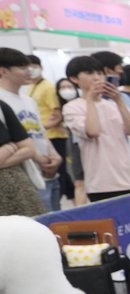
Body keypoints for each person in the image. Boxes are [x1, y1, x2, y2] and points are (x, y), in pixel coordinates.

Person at [62, 55, 130, 202]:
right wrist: (91, 99)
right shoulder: (71, 107)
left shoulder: (112, 104)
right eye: (89, 73)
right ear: (74, 79)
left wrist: (118, 100)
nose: (96, 77)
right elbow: (93, 131)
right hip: (101, 184)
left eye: (99, 73)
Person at [0, 48, 62, 212]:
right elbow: (13, 141)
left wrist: (54, 156)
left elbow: (40, 132)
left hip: (48, 171)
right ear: (3, 71)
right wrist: (37, 157)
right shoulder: (2, 101)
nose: (29, 71)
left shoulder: (28, 100)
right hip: (27, 174)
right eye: (21, 67)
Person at [26, 54, 69, 209]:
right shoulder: (30, 88)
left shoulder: (48, 87)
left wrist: (44, 127)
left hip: (54, 136)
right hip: (41, 136)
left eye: (32, 66)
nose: (29, 70)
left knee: (57, 174)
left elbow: (57, 114)